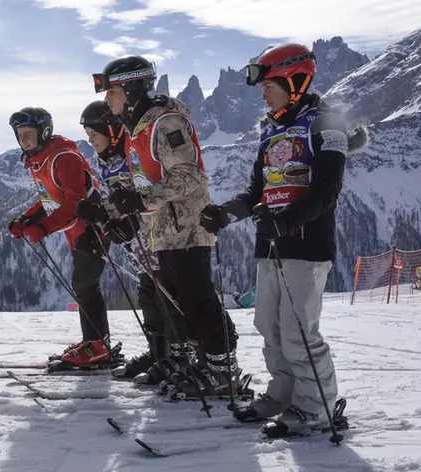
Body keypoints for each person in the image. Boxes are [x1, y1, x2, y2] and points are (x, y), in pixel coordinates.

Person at [199, 43, 365, 432]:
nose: (263, 91)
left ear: (296, 79)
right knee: (268, 326)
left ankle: (316, 407)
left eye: (269, 83)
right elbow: (257, 191)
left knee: (298, 332)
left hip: (306, 244)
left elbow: (327, 190)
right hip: (270, 242)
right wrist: (225, 213)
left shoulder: (326, 124)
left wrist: (287, 221)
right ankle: (282, 393)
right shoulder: (271, 128)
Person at [92, 55, 241, 398]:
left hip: (187, 227)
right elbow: (143, 185)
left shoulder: (165, 123)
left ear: (131, 88)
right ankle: (196, 365)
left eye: (111, 92)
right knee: (178, 304)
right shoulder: (138, 130)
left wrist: (139, 201)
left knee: (198, 300)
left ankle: (223, 372)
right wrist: (107, 209)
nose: (107, 100)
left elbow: (189, 177)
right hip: (163, 231)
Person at [75, 100, 187, 385]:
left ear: (112, 130)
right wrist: (100, 215)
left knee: (166, 298)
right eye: (87, 134)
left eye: (94, 133)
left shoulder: (130, 153)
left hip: (158, 237)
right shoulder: (106, 161)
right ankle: (158, 354)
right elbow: (115, 199)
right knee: (148, 297)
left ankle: (178, 358)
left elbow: (147, 191)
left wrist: (131, 219)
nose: (90, 140)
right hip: (139, 245)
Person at [6, 106, 114, 367]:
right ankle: (94, 343)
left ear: (44, 132)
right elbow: (51, 199)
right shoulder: (40, 159)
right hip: (76, 230)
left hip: (91, 227)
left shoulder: (62, 158)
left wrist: (43, 228)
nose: (23, 140)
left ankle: (98, 347)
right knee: (84, 287)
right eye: (19, 135)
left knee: (85, 285)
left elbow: (73, 202)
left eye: (28, 134)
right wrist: (26, 219)